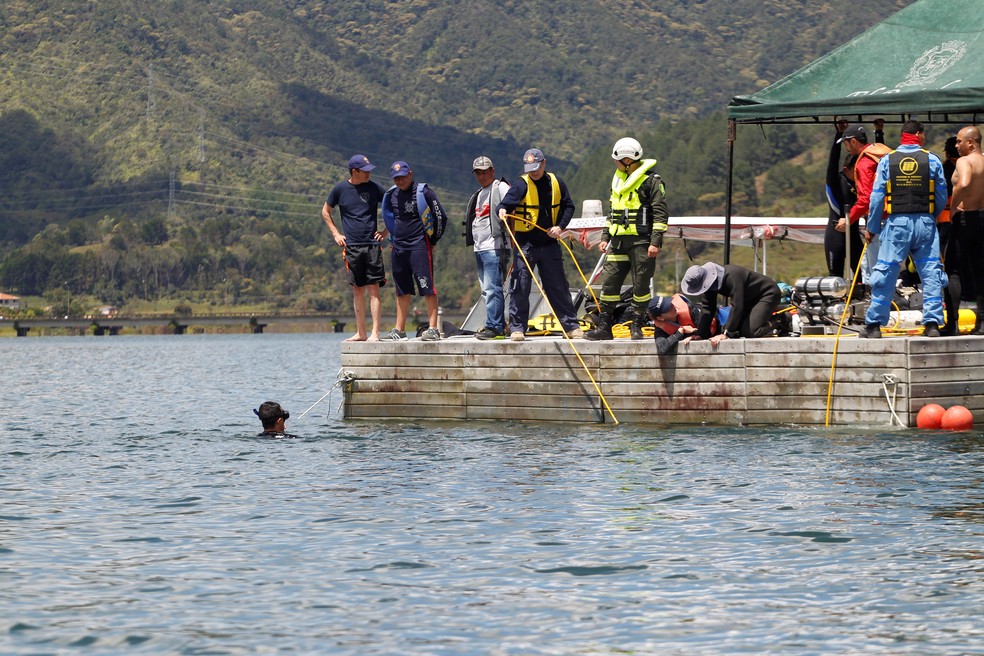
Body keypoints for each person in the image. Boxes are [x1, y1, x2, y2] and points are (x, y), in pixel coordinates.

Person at [860, 120, 948, 339]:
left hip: (897, 224)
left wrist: (872, 227)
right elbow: (941, 196)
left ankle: (873, 326)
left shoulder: (887, 161)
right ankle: (932, 324)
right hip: (925, 223)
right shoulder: (932, 159)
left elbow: (877, 197)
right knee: (931, 273)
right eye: (923, 135)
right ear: (918, 134)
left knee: (885, 272)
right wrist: (930, 216)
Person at [584, 137, 669, 341]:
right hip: (618, 243)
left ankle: (637, 325)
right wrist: (606, 237)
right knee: (610, 284)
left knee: (640, 285)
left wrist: (655, 242)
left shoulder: (652, 182)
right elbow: (613, 211)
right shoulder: (618, 181)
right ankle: (604, 326)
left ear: (627, 160)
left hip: (642, 242)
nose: (615, 163)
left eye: (617, 159)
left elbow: (660, 214)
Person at [496, 148, 584, 341]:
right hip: (526, 244)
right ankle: (518, 328)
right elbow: (503, 205)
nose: (533, 172)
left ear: (544, 163)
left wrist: (560, 227)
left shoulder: (557, 183)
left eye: (536, 167)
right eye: (529, 168)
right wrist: (502, 211)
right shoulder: (521, 184)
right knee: (520, 286)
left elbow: (569, 206)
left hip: (550, 242)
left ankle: (570, 326)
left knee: (558, 286)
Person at [380, 161, 448, 341]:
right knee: (401, 290)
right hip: (399, 247)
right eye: (396, 178)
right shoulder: (392, 195)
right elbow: (390, 219)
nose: (400, 180)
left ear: (410, 174)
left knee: (427, 287)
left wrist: (433, 240)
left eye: (402, 176)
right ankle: (399, 330)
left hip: (419, 245)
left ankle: (433, 329)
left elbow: (441, 216)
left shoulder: (424, 192)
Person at [322, 154, 387, 342]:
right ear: (354, 171)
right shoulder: (340, 189)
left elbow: (393, 205)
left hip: (372, 245)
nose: (368, 174)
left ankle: (375, 332)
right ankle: (361, 332)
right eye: (365, 171)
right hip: (352, 246)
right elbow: (326, 211)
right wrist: (336, 233)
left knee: (373, 288)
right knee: (358, 289)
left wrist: (385, 232)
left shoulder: (374, 188)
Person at [464, 156, 512, 339]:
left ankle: (495, 327)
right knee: (486, 289)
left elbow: (512, 211)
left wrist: (513, 240)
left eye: (485, 172)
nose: (482, 176)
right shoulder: (479, 193)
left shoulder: (500, 188)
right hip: (480, 247)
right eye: (478, 173)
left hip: (495, 246)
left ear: (493, 171)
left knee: (493, 288)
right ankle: (496, 323)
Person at [839, 123, 891, 289]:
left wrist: (848, 219)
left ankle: (878, 305)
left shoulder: (864, 163)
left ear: (853, 142)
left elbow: (866, 198)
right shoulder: (881, 154)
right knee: (868, 265)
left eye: (846, 144)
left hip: (879, 221)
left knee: (875, 267)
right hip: (896, 215)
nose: (846, 148)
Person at [681, 262, 780, 346]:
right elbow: (708, 308)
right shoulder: (709, 284)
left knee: (750, 331)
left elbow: (737, 305)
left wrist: (727, 334)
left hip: (767, 294)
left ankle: (781, 319)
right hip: (748, 300)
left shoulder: (732, 276)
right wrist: (700, 334)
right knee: (735, 330)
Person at [951, 125, 984, 334]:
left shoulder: (965, 161)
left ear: (970, 142)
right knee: (981, 270)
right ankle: (982, 322)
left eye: (959, 141)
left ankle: (952, 322)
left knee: (953, 269)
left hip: (966, 217)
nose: (956, 145)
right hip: (982, 216)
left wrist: (954, 207)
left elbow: (963, 183)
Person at [823, 120, 863, 280]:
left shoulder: (860, 183)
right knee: (835, 278)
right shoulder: (835, 180)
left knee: (861, 276)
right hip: (835, 234)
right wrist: (839, 134)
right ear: (847, 169)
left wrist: (878, 132)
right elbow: (832, 162)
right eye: (856, 170)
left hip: (853, 234)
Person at [938, 135, 961, 335]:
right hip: (973, 220)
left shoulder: (944, 170)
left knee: (951, 271)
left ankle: (952, 323)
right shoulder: (975, 164)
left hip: (947, 223)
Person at [648, 293, 722, 355]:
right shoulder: (661, 328)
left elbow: (705, 331)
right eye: (667, 308)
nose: (672, 307)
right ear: (660, 318)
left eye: (670, 303)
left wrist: (693, 333)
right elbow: (663, 348)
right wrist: (680, 332)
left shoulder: (692, 310)